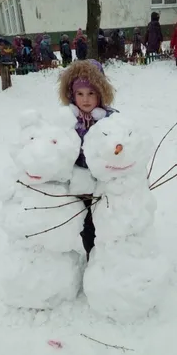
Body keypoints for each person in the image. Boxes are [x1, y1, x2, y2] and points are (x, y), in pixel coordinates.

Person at [58, 59, 117, 260]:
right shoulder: (68, 121)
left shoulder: (110, 119)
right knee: (86, 223)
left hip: (103, 182)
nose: (85, 99)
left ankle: (109, 256)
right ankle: (92, 255)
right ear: (72, 95)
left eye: (91, 93)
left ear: (100, 94)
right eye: (80, 94)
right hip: (80, 182)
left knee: (105, 220)